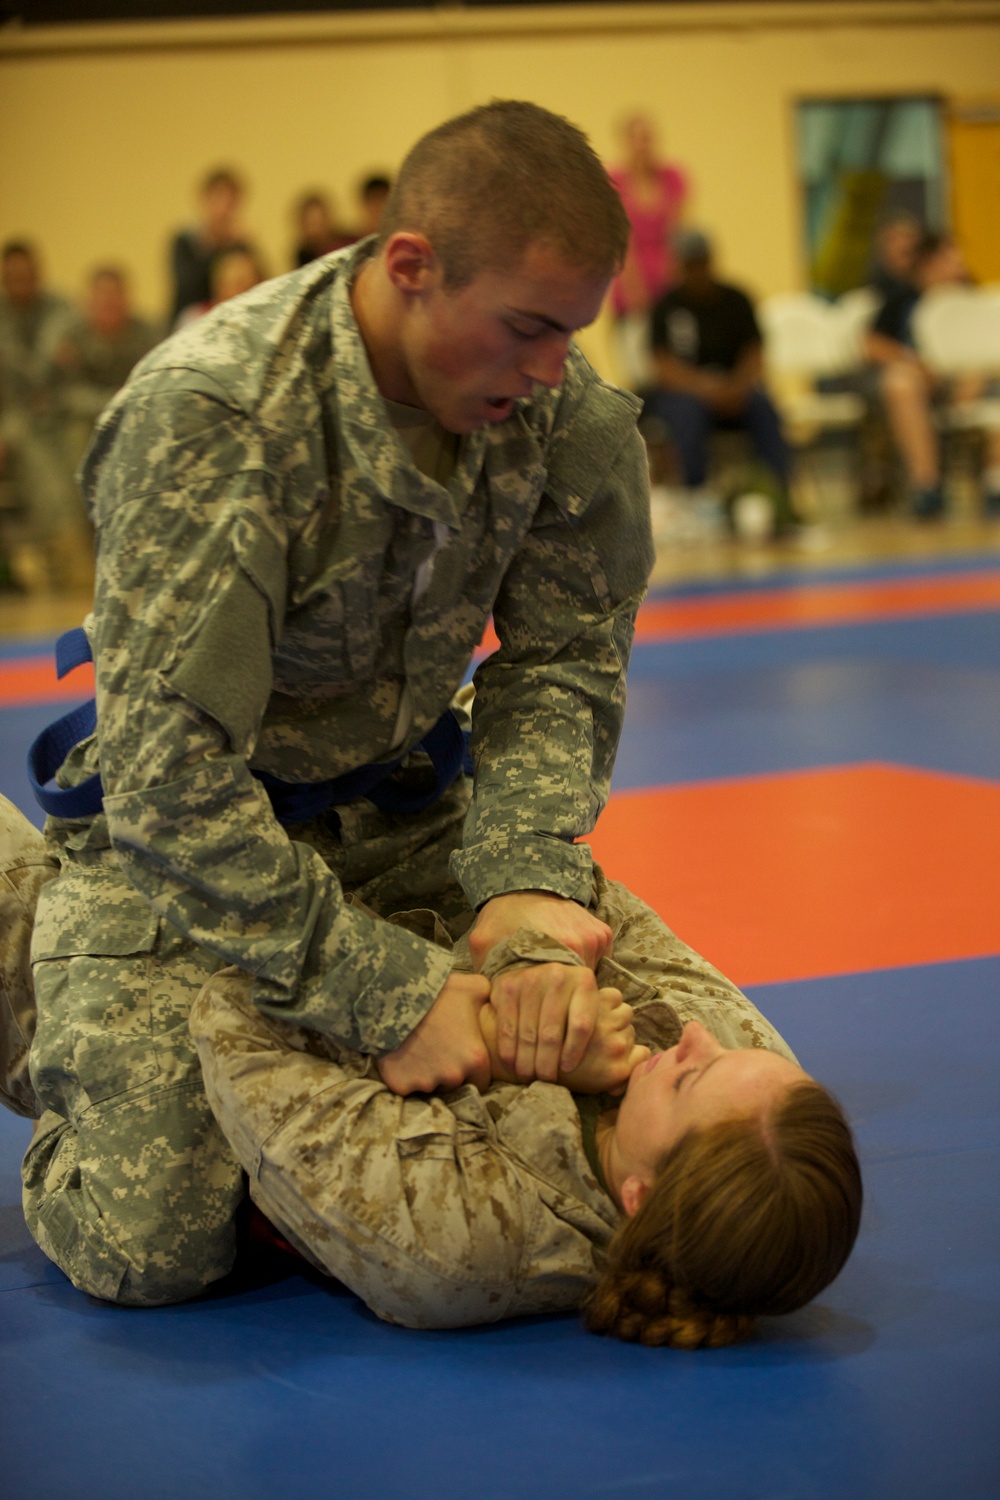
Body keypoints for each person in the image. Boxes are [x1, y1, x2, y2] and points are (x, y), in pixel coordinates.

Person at [17, 99, 657, 1310]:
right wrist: (386, 996)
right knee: (153, 1250)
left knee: (724, 1101)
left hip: (407, 813)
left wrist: (523, 876)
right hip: (180, 848)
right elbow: (168, 784)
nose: (550, 370)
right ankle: (23, 965)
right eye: (526, 329)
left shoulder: (557, 409)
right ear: (409, 267)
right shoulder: (216, 417)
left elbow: (563, 656)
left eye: (572, 333)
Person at [188, 871, 862, 1347]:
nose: (691, 1038)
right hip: (436, 851)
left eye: (690, 1078)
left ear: (639, 1195)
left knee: (151, 1245)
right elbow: (591, 905)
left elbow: (238, 1005)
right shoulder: (754, 1083)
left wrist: (494, 1044)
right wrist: (532, 960)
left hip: (264, 897)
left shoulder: (454, 1232)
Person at [644, 229, 795, 529]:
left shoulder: (736, 299)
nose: (697, 270)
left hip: (734, 390)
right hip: (686, 394)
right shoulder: (665, 306)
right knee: (686, 412)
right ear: (679, 266)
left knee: (764, 407)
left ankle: (779, 494)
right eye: (690, 264)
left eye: (701, 262)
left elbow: (754, 353)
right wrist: (704, 389)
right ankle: (697, 500)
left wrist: (736, 387)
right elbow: (662, 367)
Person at [864, 231, 1000, 518]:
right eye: (949, 258)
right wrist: (916, 365)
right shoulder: (903, 298)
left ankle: (995, 482)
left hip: (973, 380)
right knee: (898, 384)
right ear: (928, 263)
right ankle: (927, 486)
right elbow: (871, 344)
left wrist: (974, 376)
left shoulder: (970, 296)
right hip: (923, 381)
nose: (958, 265)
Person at [0, 240, 89, 588]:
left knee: (77, 449)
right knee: (34, 455)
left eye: (27, 275)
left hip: (60, 411)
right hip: (14, 418)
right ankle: (59, 559)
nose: (22, 282)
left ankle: (72, 554)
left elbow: (75, 371)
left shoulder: (63, 310)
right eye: (13, 277)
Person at [607, 114, 688, 390]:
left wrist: (675, 284)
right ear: (626, 142)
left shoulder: (672, 178)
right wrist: (635, 289)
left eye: (648, 138)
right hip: (630, 291)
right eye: (637, 138)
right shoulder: (614, 181)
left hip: (668, 287)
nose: (643, 145)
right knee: (639, 375)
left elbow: (676, 233)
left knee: (674, 369)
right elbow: (622, 240)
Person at [57, 266, 160, 471]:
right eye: (102, 295)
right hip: (90, 419)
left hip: (136, 414)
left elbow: (155, 383)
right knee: (75, 435)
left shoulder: (146, 335)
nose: (109, 302)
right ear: (89, 301)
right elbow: (69, 392)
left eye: (115, 294)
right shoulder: (74, 338)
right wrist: (110, 402)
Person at [167, 166, 256, 329]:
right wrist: (212, 246)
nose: (223, 210)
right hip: (191, 325)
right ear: (205, 200)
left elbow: (259, 284)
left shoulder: (240, 245)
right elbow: (187, 288)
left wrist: (246, 246)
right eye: (218, 199)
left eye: (230, 203)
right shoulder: (185, 242)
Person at [291, 190, 355, 269]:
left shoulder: (349, 244)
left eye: (318, 222)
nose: (315, 229)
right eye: (311, 224)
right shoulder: (304, 256)